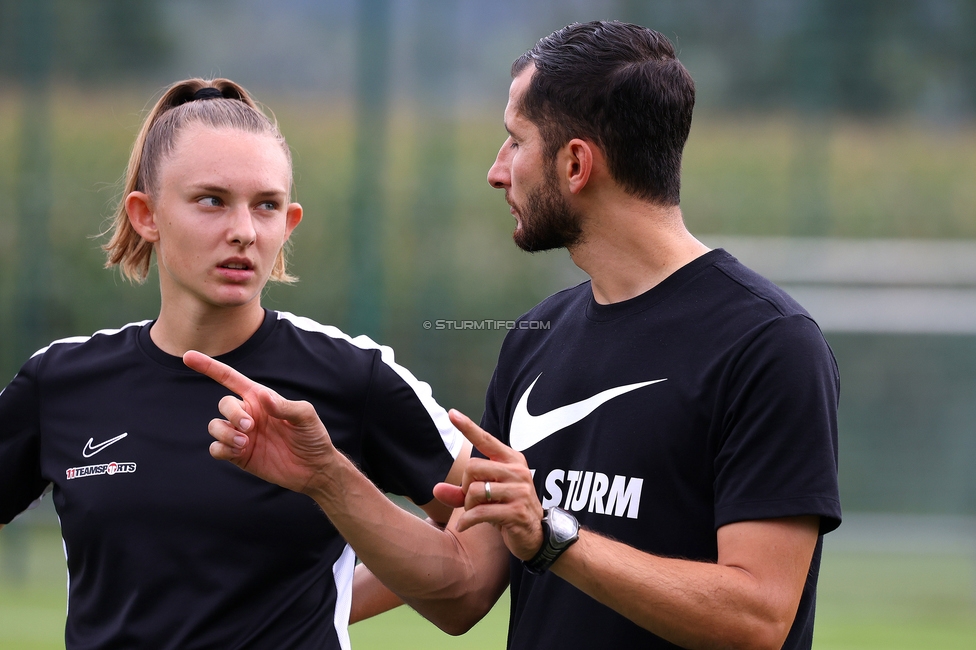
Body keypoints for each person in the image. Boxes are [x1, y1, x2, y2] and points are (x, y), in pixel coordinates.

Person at [191, 21, 841, 650]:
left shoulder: (768, 345)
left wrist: (553, 538)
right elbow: (466, 585)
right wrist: (329, 477)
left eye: (515, 140)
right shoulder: (537, 339)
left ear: (576, 164)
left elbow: (757, 620)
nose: (497, 171)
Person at [0, 78, 469, 649]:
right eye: (211, 201)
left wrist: (332, 595)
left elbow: (484, 530)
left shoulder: (353, 375)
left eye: (266, 206)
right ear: (146, 215)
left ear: (288, 222)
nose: (244, 231)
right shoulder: (60, 382)